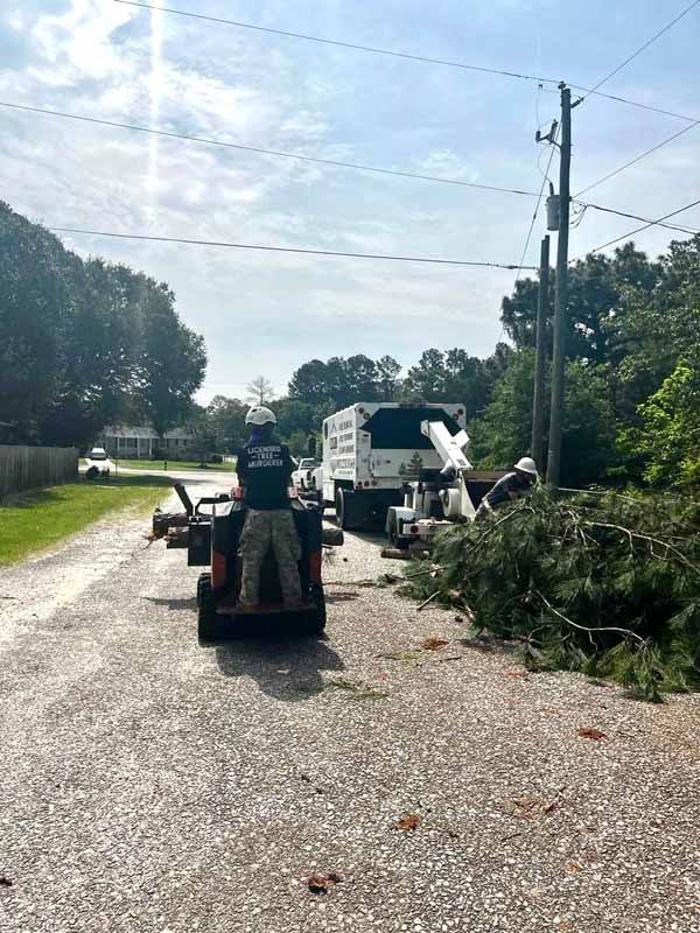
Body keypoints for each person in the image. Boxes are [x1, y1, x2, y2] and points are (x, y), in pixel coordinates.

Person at [235, 406, 302, 608]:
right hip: (282, 512)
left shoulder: (245, 452)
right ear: (272, 426)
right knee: (288, 559)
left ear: (251, 427)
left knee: (251, 560)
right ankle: (293, 601)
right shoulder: (283, 450)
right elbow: (289, 473)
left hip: (256, 513)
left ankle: (248, 602)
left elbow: (242, 479)